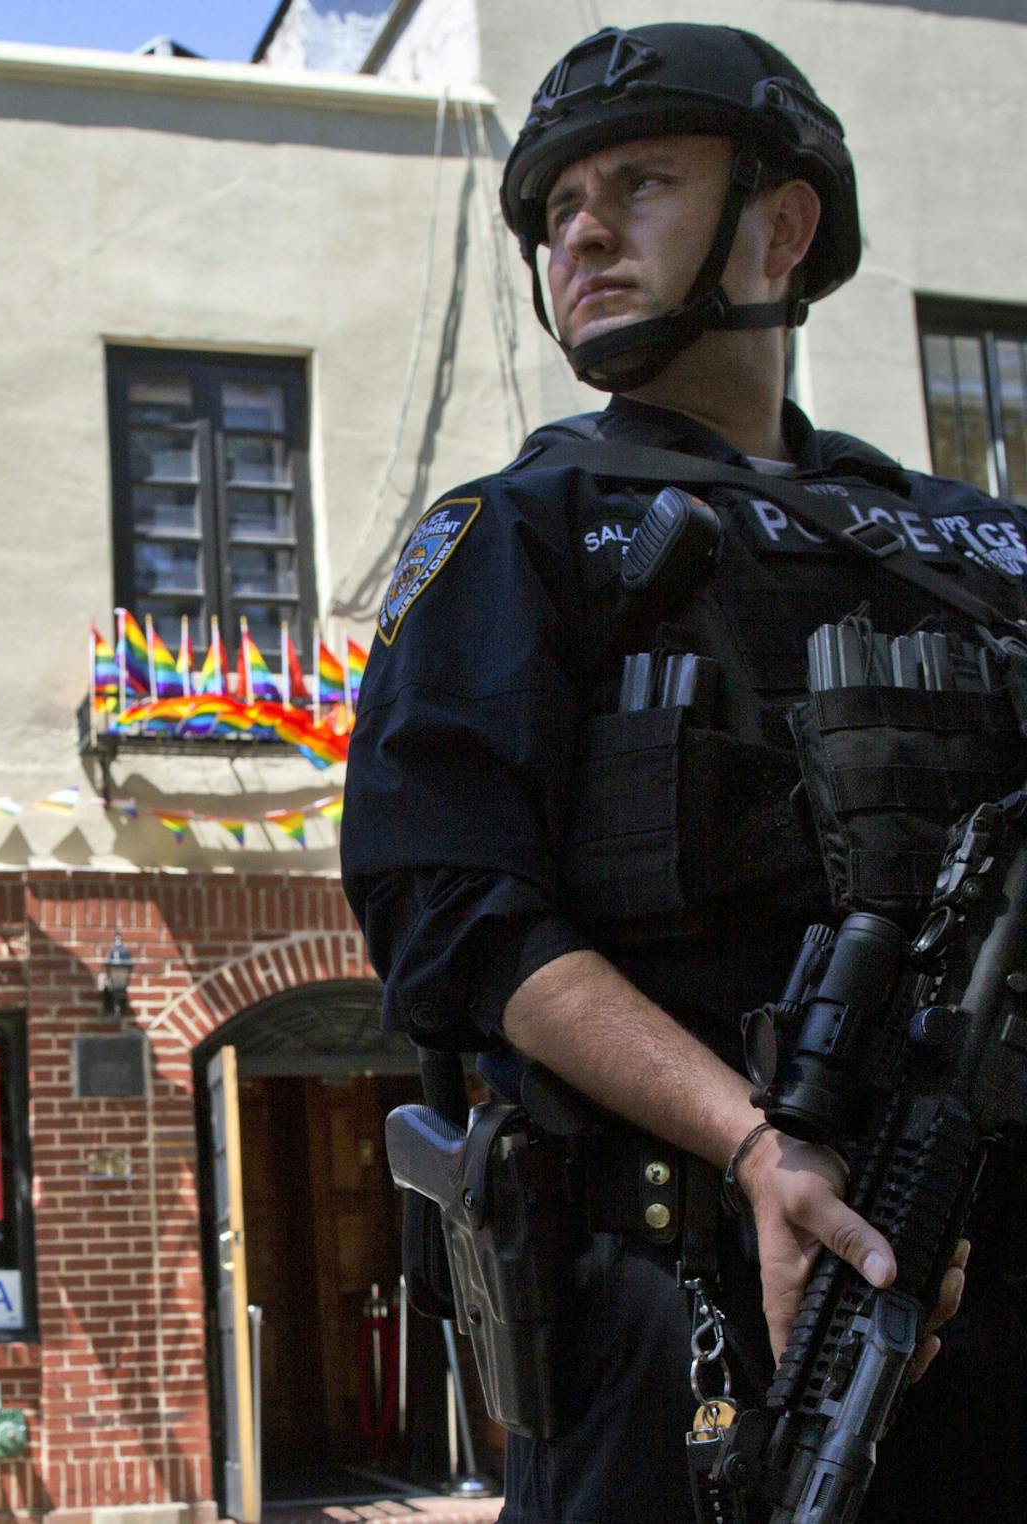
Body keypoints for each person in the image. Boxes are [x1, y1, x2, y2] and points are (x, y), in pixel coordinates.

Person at [340, 23, 1027, 1523]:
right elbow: (446, 906)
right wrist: (754, 1141)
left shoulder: (981, 548)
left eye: (636, 183)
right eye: (555, 210)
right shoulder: (524, 532)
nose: (578, 230)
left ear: (782, 225)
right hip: (674, 1307)